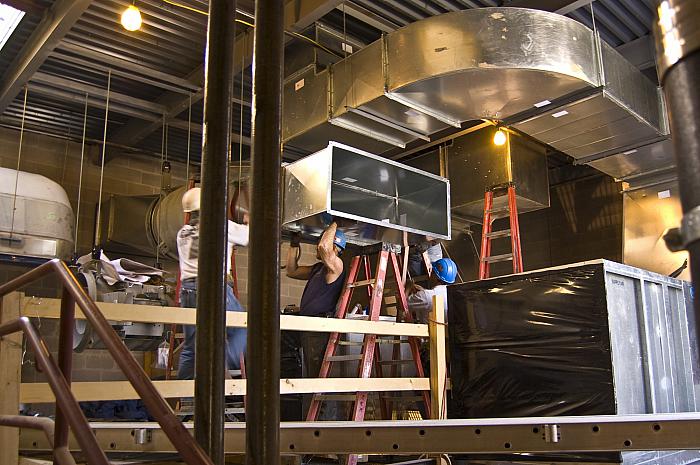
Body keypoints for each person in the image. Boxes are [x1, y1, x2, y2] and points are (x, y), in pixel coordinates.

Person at [176, 187, 249, 380]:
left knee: (192, 348)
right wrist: (250, 221)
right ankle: (218, 367)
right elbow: (249, 237)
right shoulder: (222, 226)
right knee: (244, 327)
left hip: (188, 290)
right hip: (215, 287)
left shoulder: (182, 233)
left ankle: (182, 399)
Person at [286, 222, 346, 384]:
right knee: (311, 374)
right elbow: (291, 271)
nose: (316, 247)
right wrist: (294, 244)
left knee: (317, 376)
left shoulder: (336, 266)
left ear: (335, 247)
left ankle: (321, 409)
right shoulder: (318, 268)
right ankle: (315, 407)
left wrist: (335, 222)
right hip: (309, 326)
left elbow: (323, 247)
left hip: (319, 328)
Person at [407, 257, 457, 324]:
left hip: (429, 333)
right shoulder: (455, 296)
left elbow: (402, 306)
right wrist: (423, 291)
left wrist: (408, 287)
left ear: (435, 276)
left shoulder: (426, 296)